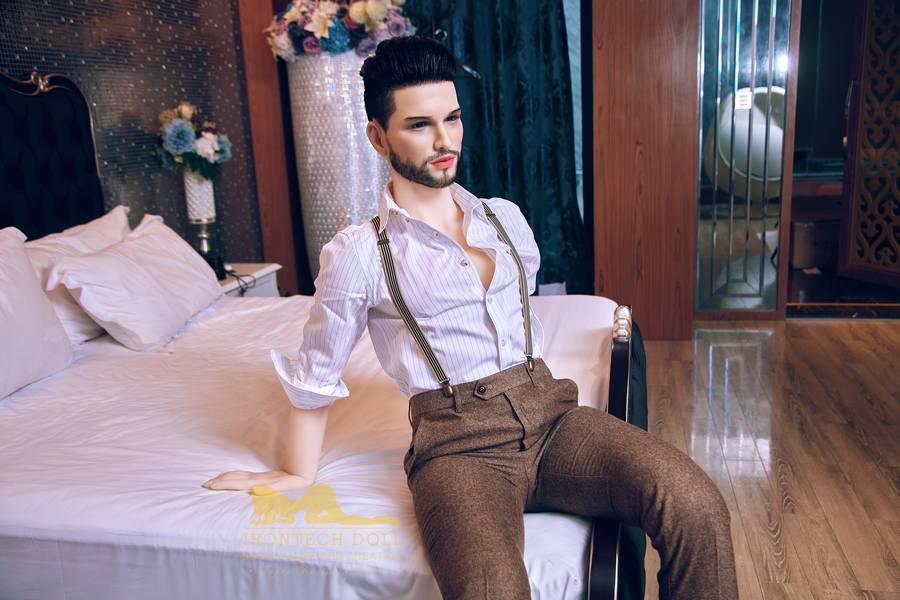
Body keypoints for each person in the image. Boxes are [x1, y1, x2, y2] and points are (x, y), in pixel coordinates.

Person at [202, 35, 738, 600]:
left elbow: (517, 312)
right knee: (490, 590)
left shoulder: (503, 218)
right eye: (419, 125)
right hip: (458, 450)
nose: (444, 140)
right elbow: (317, 372)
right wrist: (298, 473)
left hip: (553, 418)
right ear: (378, 137)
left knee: (695, 502)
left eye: (452, 118)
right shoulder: (360, 252)